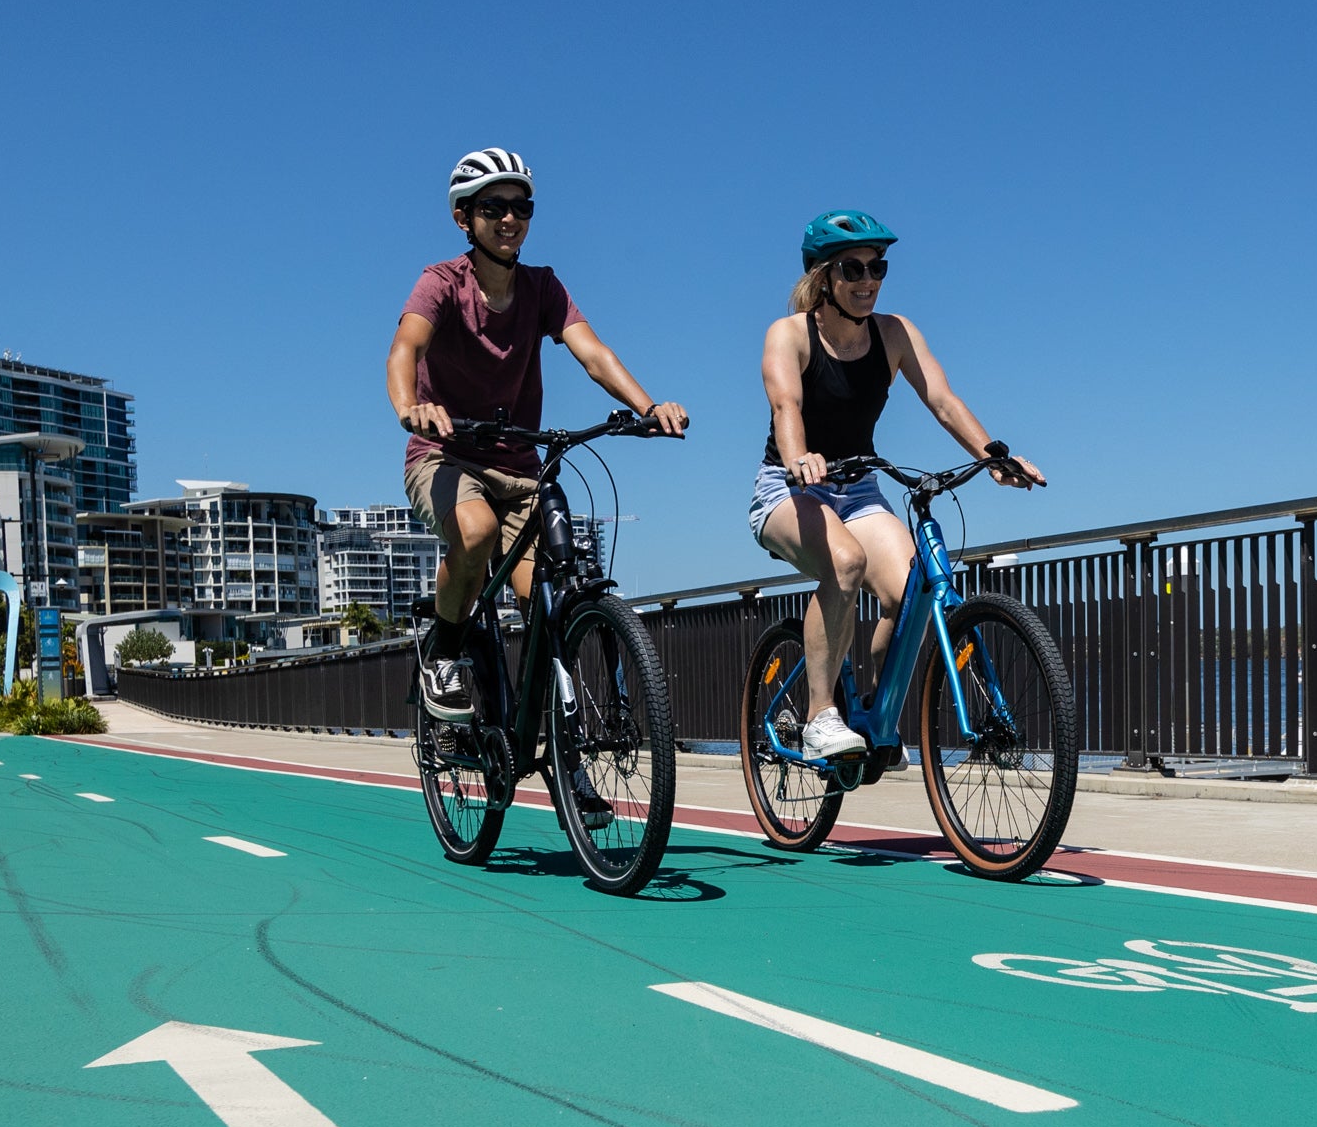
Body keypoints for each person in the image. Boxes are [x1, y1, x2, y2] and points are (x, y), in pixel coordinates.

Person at [388, 147, 687, 720]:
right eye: (493, 206)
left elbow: (593, 353)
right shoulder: (441, 284)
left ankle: (555, 743)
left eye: (521, 206)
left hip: (521, 468)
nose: (510, 218)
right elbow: (407, 347)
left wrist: (648, 407)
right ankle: (443, 656)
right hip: (445, 455)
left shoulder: (543, 287)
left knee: (548, 599)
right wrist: (412, 407)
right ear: (464, 218)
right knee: (473, 535)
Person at [754, 209, 1042, 759]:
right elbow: (786, 404)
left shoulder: (895, 334)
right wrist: (799, 458)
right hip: (789, 489)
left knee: (912, 589)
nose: (869, 281)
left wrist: (996, 458)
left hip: (859, 490)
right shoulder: (789, 335)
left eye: (878, 268)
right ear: (823, 278)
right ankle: (819, 715)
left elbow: (942, 399)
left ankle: (874, 713)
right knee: (843, 563)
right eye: (854, 269)